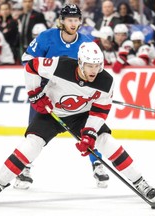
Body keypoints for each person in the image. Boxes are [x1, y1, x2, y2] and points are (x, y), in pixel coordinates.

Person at [0, 41, 155, 205]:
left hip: (82, 116)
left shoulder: (106, 81)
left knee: (106, 141)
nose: (94, 70)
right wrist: (35, 93)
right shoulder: (59, 65)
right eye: (89, 65)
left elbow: (100, 111)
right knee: (31, 145)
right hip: (52, 113)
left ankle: (140, 182)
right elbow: (31, 66)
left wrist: (89, 133)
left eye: (97, 65)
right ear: (80, 63)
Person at [19, 4, 110, 190]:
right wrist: (38, 90)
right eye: (70, 20)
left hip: (74, 96)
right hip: (46, 94)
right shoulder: (46, 37)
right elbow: (26, 60)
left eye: (76, 20)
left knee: (88, 130)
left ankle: (97, 163)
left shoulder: (86, 43)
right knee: (34, 132)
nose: (73, 23)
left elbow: (96, 70)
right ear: (62, 21)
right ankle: (24, 167)